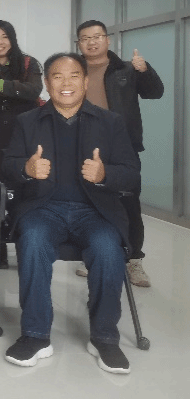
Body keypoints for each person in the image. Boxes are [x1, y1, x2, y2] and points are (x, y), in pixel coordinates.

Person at [2, 53, 140, 374]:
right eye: (57, 76)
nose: (66, 83)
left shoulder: (110, 122)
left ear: (86, 81)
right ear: (46, 82)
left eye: (74, 75)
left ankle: (105, 337)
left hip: (95, 211)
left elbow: (132, 174)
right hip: (43, 208)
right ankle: (35, 335)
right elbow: (7, 168)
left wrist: (105, 174)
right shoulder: (27, 122)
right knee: (33, 240)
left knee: (107, 248)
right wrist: (26, 169)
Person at [75, 20, 164, 287]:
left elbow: (155, 93)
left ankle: (134, 260)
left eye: (97, 36)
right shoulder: (74, 70)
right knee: (89, 204)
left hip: (123, 148)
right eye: (85, 38)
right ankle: (95, 256)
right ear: (79, 43)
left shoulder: (125, 69)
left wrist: (145, 70)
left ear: (107, 40)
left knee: (128, 204)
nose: (92, 42)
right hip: (84, 146)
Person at [0, 20, 42, 267]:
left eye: (4, 37)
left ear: (12, 39)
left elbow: (33, 90)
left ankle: (26, 241)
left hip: (23, 132)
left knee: (24, 186)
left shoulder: (28, 63)